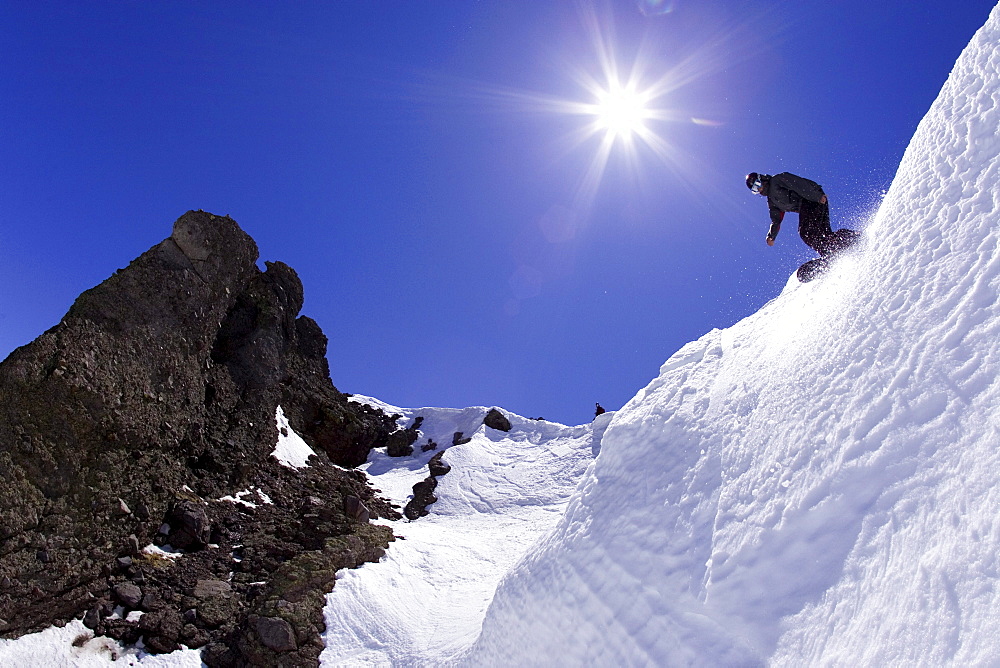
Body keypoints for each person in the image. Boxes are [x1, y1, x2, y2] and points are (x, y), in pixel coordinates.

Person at [745, 172, 855, 257]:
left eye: (757, 185)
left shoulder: (777, 180)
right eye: (755, 189)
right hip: (810, 204)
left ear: (762, 178)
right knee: (823, 233)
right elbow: (776, 219)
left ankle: (829, 252)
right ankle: (848, 239)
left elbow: (798, 184)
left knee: (805, 231)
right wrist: (771, 236)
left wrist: (816, 196)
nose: (759, 189)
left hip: (811, 198)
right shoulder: (772, 201)